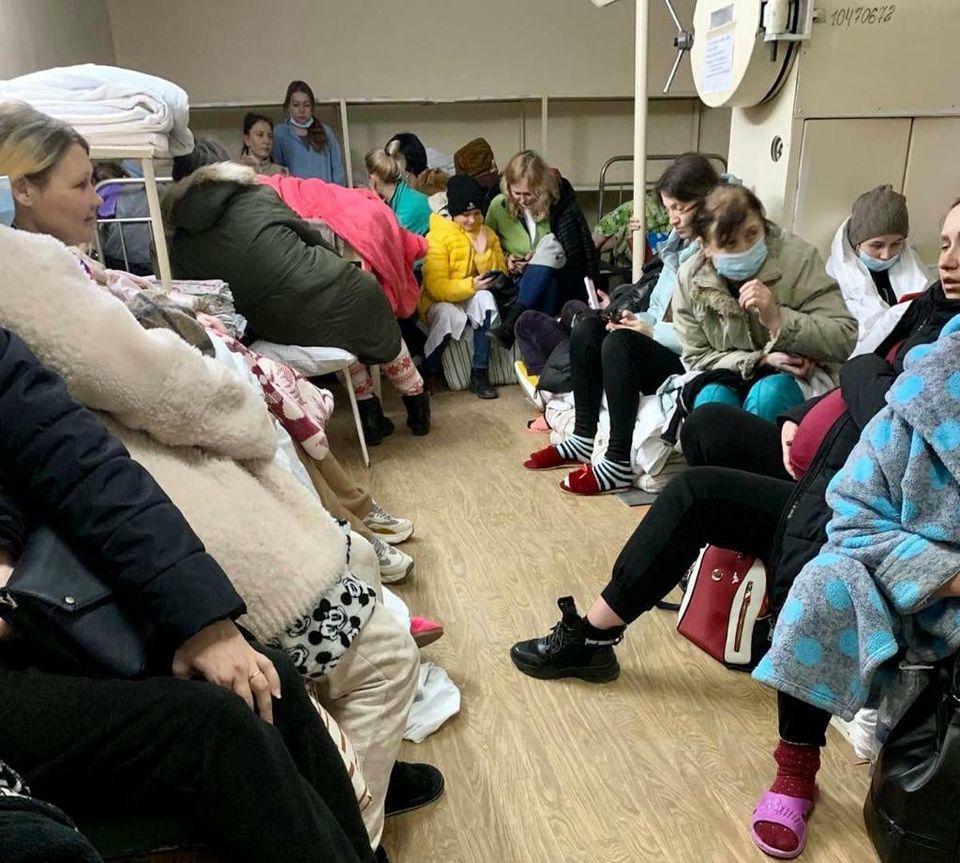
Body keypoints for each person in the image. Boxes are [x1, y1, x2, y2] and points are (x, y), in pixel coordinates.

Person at [0, 103, 443, 850]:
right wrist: (238, 402)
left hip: (145, 513)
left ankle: (342, 765)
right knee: (361, 662)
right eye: (81, 184)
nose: (98, 199)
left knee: (278, 667)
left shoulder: (66, 274)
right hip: (181, 507)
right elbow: (114, 423)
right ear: (22, 189)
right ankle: (354, 807)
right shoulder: (31, 277)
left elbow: (57, 449)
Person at [510, 197, 960, 859]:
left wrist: (790, 334)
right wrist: (801, 412)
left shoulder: (808, 267)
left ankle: (792, 758)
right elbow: (848, 381)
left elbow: (858, 366)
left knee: (790, 550)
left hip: (860, 501)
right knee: (705, 422)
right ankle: (622, 614)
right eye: (945, 243)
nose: (950, 260)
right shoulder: (923, 312)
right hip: (821, 465)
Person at [0, 325, 376, 863]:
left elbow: (81, 462)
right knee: (217, 726)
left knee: (266, 680)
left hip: (48, 594)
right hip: (42, 610)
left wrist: (203, 619)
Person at [162, 138, 431, 441]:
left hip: (277, 324)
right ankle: (417, 404)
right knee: (363, 314)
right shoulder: (257, 194)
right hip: (337, 289)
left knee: (333, 337)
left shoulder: (175, 237)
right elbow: (307, 234)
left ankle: (369, 417)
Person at [521, 154, 722, 494]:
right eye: (669, 209)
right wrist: (634, 319)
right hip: (661, 340)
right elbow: (657, 308)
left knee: (619, 344)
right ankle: (583, 436)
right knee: (589, 326)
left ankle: (617, 461)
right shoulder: (678, 249)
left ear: (706, 203)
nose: (673, 219)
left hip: (690, 357)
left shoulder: (713, 256)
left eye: (680, 208)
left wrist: (649, 331)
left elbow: (709, 338)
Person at [674, 184, 857, 419]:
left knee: (768, 396)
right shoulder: (691, 279)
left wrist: (778, 320)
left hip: (794, 377)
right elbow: (696, 355)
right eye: (730, 243)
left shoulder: (798, 259)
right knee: (711, 402)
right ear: (705, 246)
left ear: (763, 224)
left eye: (752, 234)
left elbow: (845, 336)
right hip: (727, 372)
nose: (745, 249)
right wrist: (759, 360)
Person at [485, 150, 599, 343]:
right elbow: (486, 245)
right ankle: (538, 343)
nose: (522, 200)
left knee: (549, 245)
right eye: (516, 193)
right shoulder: (498, 206)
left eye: (528, 194)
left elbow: (573, 250)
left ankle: (512, 325)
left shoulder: (557, 204)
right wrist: (506, 259)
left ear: (541, 187)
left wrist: (536, 258)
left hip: (559, 271)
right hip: (517, 279)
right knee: (548, 278)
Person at [421, 174, 505, 399]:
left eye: (476, 213)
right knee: (451, 315)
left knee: (486, 298)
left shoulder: (487, 233)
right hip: (441, 301)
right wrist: (470, 285)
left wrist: (483, 253)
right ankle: (427, 370)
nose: (471, 220)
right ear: (453, 212)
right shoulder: (437, 237)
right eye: (465, 215)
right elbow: (436, 287)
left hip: (473, 295)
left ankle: (479, 373)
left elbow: (500, 274)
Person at [826, 184, 931, 350]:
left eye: (896, 244)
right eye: (877, 245)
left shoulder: (916, 270)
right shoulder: (833, 280)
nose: (886, 255)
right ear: (856, 244)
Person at [271, 80, 347, 185]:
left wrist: (338, 191)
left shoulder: (326, 131)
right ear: (288, 107)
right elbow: (277, 173)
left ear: (312, 107)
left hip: (325, 193)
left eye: (306, 105)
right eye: (296, 105)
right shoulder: (279, 134)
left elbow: (338, 171)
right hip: (294, 193)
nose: (301, 110)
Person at [365, 147, 431, 236]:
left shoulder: (405, 211)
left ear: (372, 177)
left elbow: (386, 240)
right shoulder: (404, 196)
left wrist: (376, 202)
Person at [239, 111, 288, 176]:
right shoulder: (235, 170)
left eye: (270, 136)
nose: (267, 141)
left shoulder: (281, 172)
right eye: (260, 135)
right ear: (247, 139)